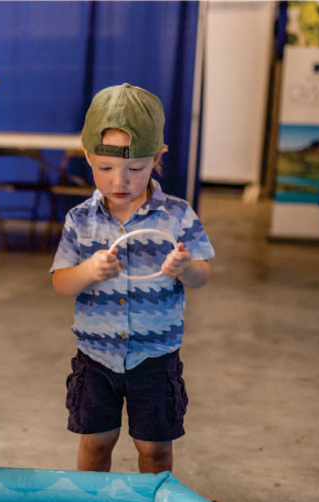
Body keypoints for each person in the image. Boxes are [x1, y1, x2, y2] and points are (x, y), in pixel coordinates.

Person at [51, 83, 214, 475]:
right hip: (96, 358)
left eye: (135, 169)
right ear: (87, 157)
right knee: (95, 444)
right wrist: (88, 271)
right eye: (105, 168)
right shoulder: (80, 219)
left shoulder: (177, 215)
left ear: (158, 158)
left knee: (154, 448)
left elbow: (202, 274)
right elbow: (60, 282)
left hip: (155, 357)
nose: (119, 181)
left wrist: (186, 267)